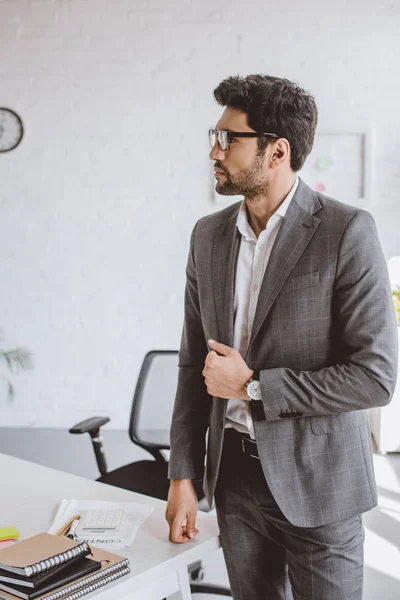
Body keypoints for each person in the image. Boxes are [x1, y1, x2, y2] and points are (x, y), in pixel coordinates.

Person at [165, 74, 398, 600]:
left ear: (277, 151)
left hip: (322, 484)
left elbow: (375, 377)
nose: (213, 151)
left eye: (228, 139)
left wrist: (253, 387)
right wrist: (183, 473)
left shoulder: (347, 232)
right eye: (214, 135)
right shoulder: (208, 236)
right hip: (236, 484)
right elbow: (190, 363)